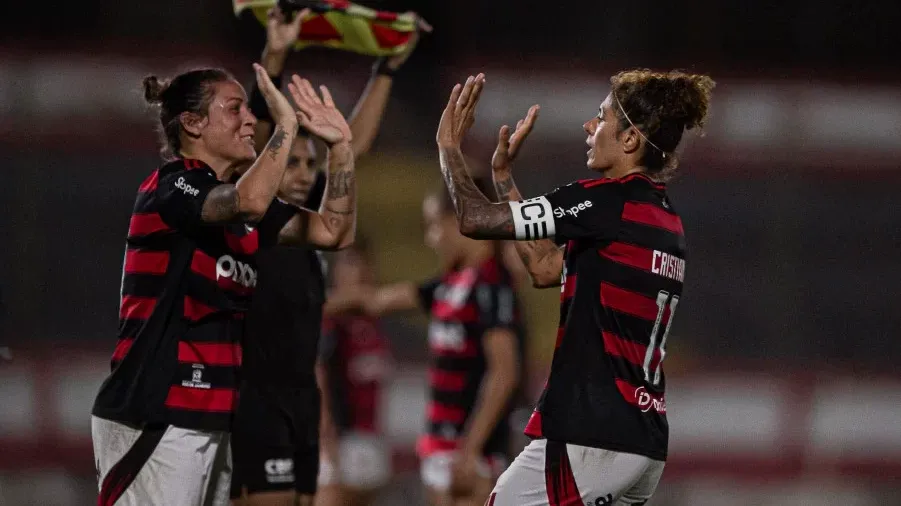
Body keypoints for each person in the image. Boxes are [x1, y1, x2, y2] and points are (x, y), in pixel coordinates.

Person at [433, 70, 713, 505]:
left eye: (600, 117)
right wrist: (504, 178)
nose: (589, 126)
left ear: (629, 140)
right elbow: (545, 268)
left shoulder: (607, 202)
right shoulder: (664, 220)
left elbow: (473, 220)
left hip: (591, 434)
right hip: (641, 438)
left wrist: (449, 148)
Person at [90, 59, 356, 506]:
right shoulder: (172, 187)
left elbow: (335, 231)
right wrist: (285, 126)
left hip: (211, 417)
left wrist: (342, 149)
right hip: (154, 413)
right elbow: (248, 201)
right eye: (235, 109)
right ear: (192, 124)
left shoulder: (240, 209)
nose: (250, 119)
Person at [229, 7, 429, 506]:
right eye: (290, 160)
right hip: (260, 389)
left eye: (307, 161)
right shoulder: (257, 212)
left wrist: (385, 68)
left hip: (297, 393)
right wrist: (275, 57)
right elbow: (256, 141)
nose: (301, 171)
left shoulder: (310, 216)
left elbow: (351, 146)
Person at [328, 186, 524, 506]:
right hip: (440, 447)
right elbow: (375, 301)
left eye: (435, 226)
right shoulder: (447, 285)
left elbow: (504, 372)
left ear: (459, 223)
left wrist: (470, 449)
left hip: (472, 455)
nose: (432, 239)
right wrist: (305, 304)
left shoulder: (492, 285)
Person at [315, 235, 393, 506]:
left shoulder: (374, 322)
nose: (359, 272)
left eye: (364, 264)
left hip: (370, 440)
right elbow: (318, 375)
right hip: (340, 441)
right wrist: (326, 439)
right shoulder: (330, 321)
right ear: (337, 272)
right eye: (350, 264)